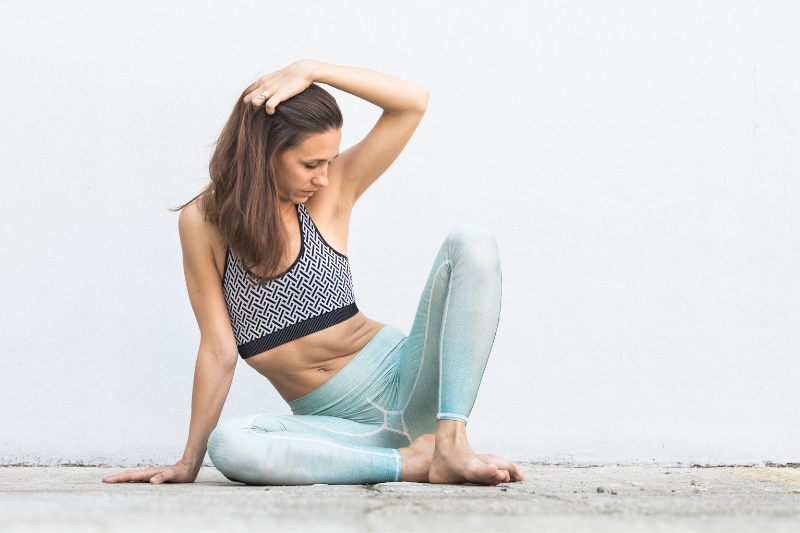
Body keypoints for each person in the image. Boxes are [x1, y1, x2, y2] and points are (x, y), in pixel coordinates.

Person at [102, 59, 524, 486]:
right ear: (264, 154)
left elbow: (412, 103)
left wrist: (313, 70)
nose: (324, 177)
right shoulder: (202, 222)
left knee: (472, 242)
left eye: (330, 161)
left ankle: (451, 441)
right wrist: (187, 463)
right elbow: (218, 349)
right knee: (230, 444)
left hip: (409, 385)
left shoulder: (330, 194)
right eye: (310, 164)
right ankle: (413, 463)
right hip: (335, 429)